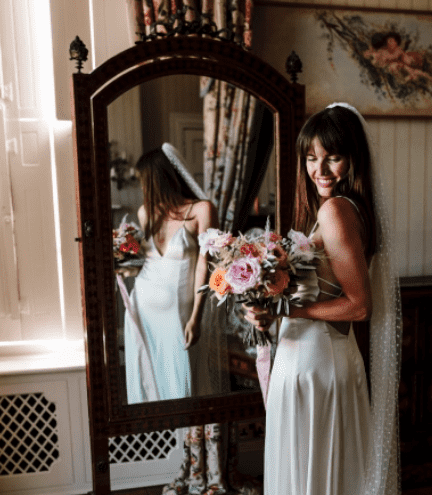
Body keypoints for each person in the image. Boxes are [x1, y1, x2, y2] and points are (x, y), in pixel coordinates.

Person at [244, 104, 401, 495]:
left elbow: (359, 306)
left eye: (333, 157)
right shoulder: (345, 209)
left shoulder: (335, 211)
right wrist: (267, 306)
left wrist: (286, 310)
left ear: (353, 158)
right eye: (312, 158)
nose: (320, 170)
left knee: (311, 477)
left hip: (315, 365)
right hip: (318, 359)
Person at [119, 143, 229, 495]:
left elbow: (206, 264)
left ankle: (205, 470)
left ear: (159, 178)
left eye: (144, 181)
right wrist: (122, 259)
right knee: (161, 383)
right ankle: (184, 463)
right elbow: (146, 261)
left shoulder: (201, 210)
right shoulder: (145, 213)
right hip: (145, 308)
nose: (142, 188)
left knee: (190, 385)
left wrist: (196, 316)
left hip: (182, 312)